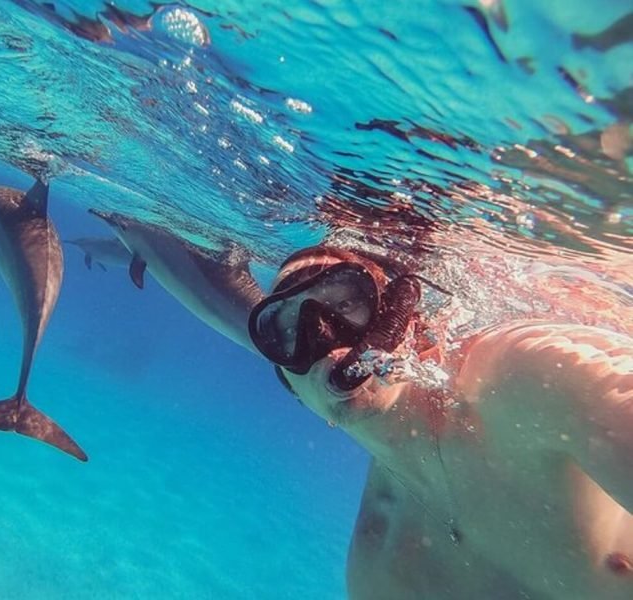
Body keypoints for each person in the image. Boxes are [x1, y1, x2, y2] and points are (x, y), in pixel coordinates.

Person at [248, 244, 633, 600]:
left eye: (348, 303)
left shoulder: (523, 376)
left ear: (405, 321)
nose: (323, 340)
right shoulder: (379, 563)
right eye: (285, 331)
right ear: (293, 391)